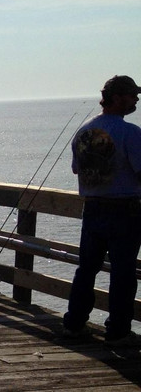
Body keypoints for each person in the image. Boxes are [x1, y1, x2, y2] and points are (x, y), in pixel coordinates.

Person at [62, 75, 141, 345]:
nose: (136, 100)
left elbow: (76, 169)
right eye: (132, 95)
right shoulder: (130, 133)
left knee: (86, 269)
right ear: (118, 98)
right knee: (123, 273)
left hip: (92, 209)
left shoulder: (84, 130)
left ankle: (73, 323)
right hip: (125, 211)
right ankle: (117, 331)